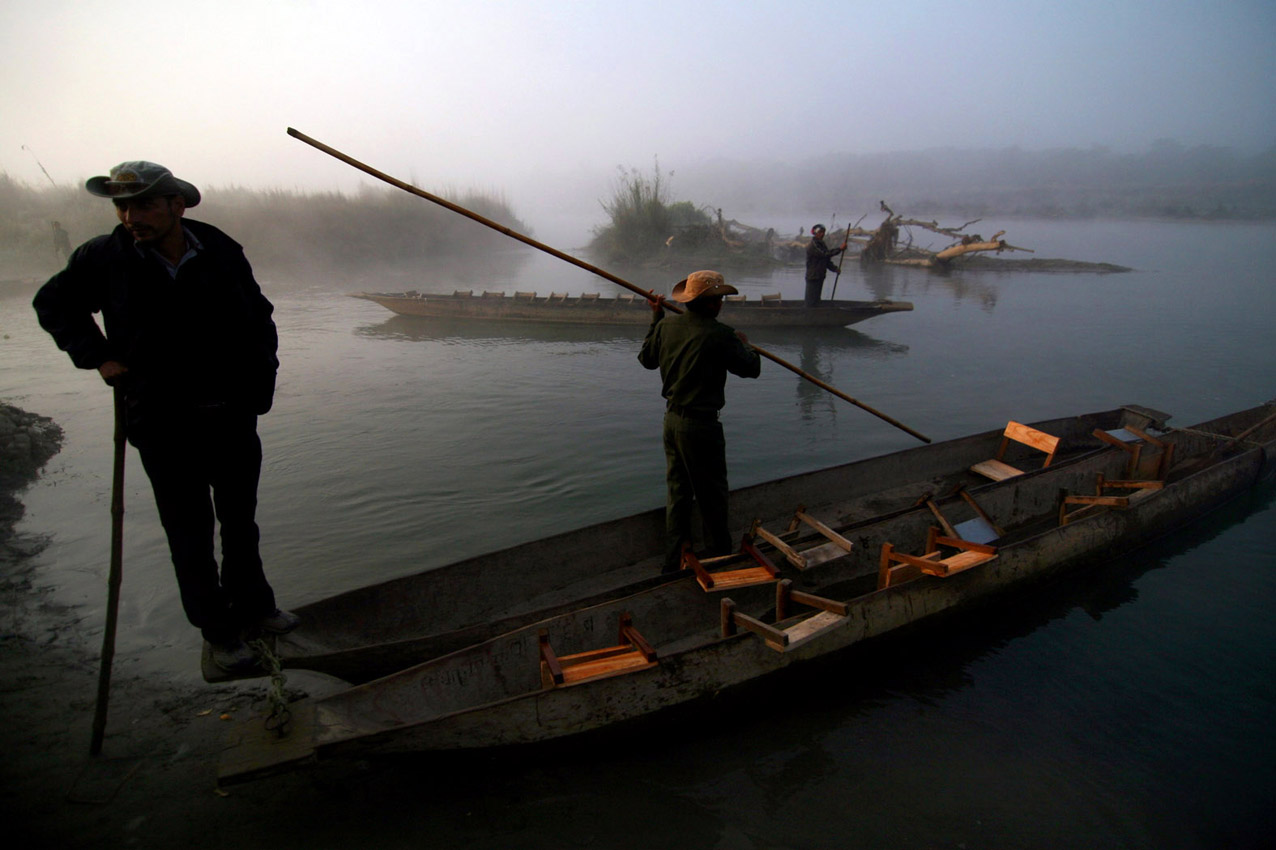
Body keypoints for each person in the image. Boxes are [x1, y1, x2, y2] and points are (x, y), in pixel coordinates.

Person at [32, 161, 296, 673]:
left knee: (240, 520)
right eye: (123, 205)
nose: (131, 215)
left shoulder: (218, 248)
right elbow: (53, 305)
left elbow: (259, 316)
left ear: (177, 205)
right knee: (188, 529)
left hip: (230, 413)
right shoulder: (103, 258)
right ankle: (219, 633)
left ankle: (257, 608)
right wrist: (98, 355)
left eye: (144, 204)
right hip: (160, 418)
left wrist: (260, 381)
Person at [639, 270, 761, 572]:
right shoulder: (720, 335)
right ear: (711, 304)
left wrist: (655, 318)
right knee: (712, 495)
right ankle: (720, 558)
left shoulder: (667, 325)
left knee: (679, 492)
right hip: (701, 427)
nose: (721, 303)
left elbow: (647, 359)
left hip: (671, 422)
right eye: (719, 299)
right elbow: (751, 369)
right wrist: (747, 345)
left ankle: (673, 560)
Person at [804, 223, 843, 307]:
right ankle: (808, 315)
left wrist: (835, 269)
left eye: (823, 232)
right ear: (815, 233)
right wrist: (839, 249)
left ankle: (815, 315)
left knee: (817, 300)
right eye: (820, 232)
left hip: (820, 276)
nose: (822, 234)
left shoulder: (821, 244)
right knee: (811, 302)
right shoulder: (813, 245)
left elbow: (826, 261)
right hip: (813, 276)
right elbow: (825, 254)